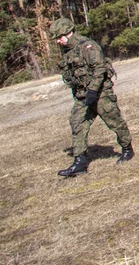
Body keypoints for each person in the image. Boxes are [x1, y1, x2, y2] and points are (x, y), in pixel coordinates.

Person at [50, 17, 134, 177]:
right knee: (77, 123)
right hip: (83, 95)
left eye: (59, 37)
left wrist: (93, 91)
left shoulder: (88, 46)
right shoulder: (67, 51)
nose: (58, 41)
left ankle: (127, 148)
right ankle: (80, 162)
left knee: (114, 122)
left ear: (69, 32)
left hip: (100, 93)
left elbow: (100, 69)